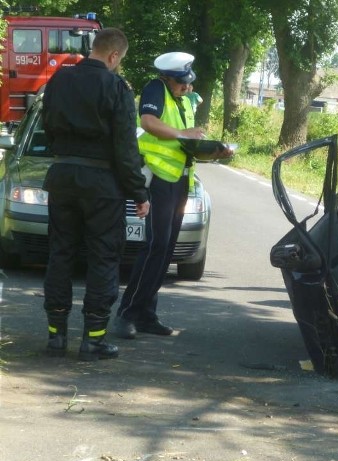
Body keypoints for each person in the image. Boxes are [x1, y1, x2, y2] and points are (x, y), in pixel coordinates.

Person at [42, 28, 150, 361]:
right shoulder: (116, 87)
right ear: (114, 56)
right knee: (103, 258)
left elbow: (47, 125)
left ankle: (56, 337)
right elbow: (125, 148)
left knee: (60, 254)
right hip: (102, 186)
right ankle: (94, 339)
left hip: (62, 178)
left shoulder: (59, 79)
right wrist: (138, 192)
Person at [113, 52, 233, 340]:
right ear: (168, 77)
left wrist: (212, 150)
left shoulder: (181, 100)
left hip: (179, 181)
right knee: (155, 247)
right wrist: (184, 133)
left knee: (165, 252)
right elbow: (149, 122)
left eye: (187, 82)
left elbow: (184, 144)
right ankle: (127, 313)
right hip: (159, 181)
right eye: (181, 82)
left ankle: (146, 314)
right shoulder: (156, 88)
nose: (185, 87)